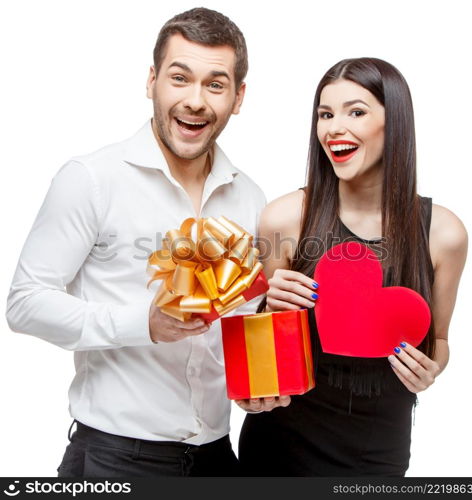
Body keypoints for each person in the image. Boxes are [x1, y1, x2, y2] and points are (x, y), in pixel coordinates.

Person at [6, 7, 278, 477]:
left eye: (215, 84)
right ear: (151, 80)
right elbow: (24, 304)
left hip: (217, 456)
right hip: (116, 459)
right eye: (179, 78)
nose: (195, 100)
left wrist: (257, 384)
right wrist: (144, 323)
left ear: (238, 97)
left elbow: (243, 318)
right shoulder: (91, 179)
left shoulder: (252, 198)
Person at [238, 57, 468, 476]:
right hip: (278, 447)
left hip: (377, 454)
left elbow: (439, 339)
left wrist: (430, 370)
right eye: (325, 114)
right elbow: (266, 348)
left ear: (394, 122)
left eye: (355, 112)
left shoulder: (444, 233)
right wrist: (269, 308)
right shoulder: (284, 219)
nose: (333, 128)